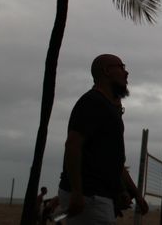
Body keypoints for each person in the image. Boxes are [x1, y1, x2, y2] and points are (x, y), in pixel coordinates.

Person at [58, 54, 148, 224]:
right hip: (89, 197)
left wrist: (133, 194)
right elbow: (72, 146)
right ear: (107, 71)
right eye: (121, 67)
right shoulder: (92, 102)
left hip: (98, 197)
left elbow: (113, 161)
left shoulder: (109, 108)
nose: (126, 73)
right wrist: (77, 192)